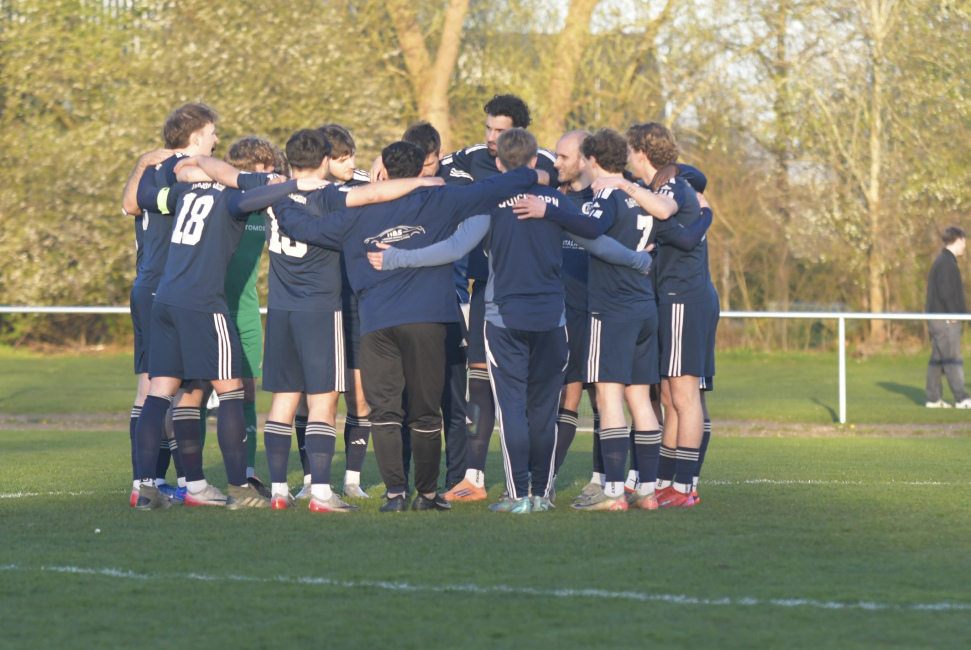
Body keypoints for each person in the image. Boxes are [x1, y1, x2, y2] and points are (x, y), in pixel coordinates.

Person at [275, 141, 543, 512]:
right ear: (422, 170)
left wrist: (283, 191)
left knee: (385, 412)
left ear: (382, 169)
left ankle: (395, 495)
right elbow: (494, 189)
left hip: (375, 324)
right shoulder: (441, 198)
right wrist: (535, 172)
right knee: (426, 412)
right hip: (428, 320)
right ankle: (427, 495)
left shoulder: (357, 210)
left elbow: (299, 226)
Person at [438, 94, 560, 503]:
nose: (491, 138)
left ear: (519, 132)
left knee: (532, 398)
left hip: (532, 293)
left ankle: (537, 481)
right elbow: (426, 163)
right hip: (485, 287)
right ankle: (474, 476)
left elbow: (565, 178)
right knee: (479, 385)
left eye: (500, 131)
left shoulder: (542, 160)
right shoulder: (471, 157)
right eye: (488, 128)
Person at [119, 102, 219, 506]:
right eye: (213, 133)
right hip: (172, 288)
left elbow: (129, 205)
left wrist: (142, 162)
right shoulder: (188, 171)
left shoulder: (150, 168)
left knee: (148, 387)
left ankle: (145, 483)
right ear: (196, 136)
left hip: (145, 286)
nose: (216, 140)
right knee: (186, 390)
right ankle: (188, 483)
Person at [925, 226, 970, 409]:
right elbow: (946, 294)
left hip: (940, 318)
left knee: (938, 359)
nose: (965, 246)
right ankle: (962, 399)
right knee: (952, 357)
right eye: (964, 242)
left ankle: (933, 399)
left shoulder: (946, 261)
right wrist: (954, 315)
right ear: (958, 240)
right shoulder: (945, 263)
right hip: (944, 320)